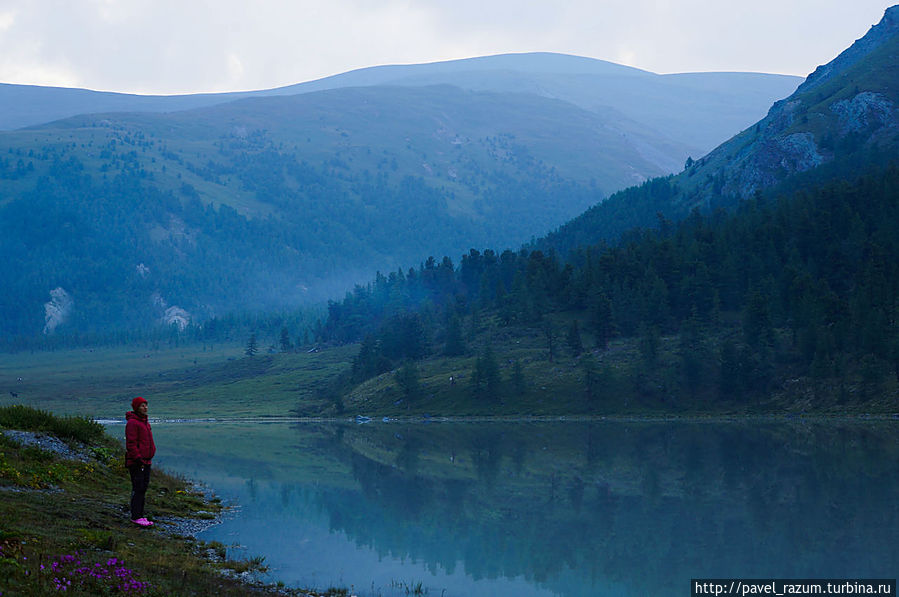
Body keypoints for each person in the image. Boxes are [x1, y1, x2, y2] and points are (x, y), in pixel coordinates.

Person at [125, 396, 156, 527]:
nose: (145, 408)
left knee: (143, 488)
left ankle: (140, 515)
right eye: (142, 405)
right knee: (138, 488)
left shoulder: (145, 422)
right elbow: (131, 444)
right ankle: (136, 516)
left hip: (146, 461)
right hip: (137, 462)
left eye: (146, 405)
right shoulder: (133, 423)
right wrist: (138, 459)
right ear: (136, 408)